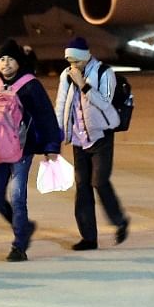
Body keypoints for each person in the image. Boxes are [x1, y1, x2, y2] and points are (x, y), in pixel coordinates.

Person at [0, 39, 61, 262]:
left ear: (19, 62)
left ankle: (19, 246)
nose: (5, 63)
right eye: (2, 59)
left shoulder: (30, 85)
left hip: (21, 150)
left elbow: (46, 117)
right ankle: (24, 228)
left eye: (10, 59)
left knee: (17, 198)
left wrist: (51, 146)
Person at [55, 37, 129, 251]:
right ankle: (88, 238)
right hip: (79, 138)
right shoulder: (66, 76)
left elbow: (105, 102)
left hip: (101, 136)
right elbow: (61, 105)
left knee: (99, 181)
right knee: (82, 186)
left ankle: (119, 220)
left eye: (76, 61)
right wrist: (58, 134)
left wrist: (83, 85)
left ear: (86, 58)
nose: (72, 66)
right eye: (69, 61)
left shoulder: (105, 73)